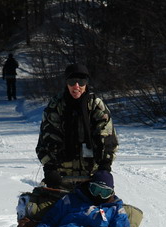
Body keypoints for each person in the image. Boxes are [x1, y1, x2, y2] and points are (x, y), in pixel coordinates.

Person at [36, 63, 118, 191]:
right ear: (66, 83)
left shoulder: (96, 105)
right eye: (72, 81)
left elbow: (107, 137)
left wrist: (104, 168)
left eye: (81, 81)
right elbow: (47, 139)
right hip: (61, 174)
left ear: (87, 83)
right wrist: (50, 169)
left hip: (91, 173)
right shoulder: (55, 106)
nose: (76, 86)